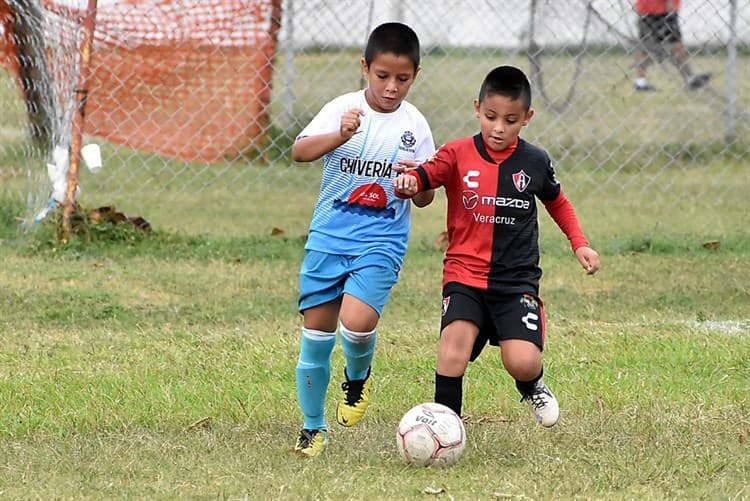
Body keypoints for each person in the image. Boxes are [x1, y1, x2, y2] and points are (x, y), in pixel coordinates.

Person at [394, 65, 601, 427]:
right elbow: (423, 175)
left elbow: (558, 202)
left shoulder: (535, 161)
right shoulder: (457, 153)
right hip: (465, 274)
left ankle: (532, 384)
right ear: (477, 109)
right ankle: (447, 428)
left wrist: (579, 244)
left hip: (515, 280)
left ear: (527, 118)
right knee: (452, 352)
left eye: (510, 119)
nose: (498, 128)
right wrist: (409, 181)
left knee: (521, 360)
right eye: (490, 117)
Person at [290, 22, 436, 457]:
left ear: (415, 76)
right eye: (382, 76)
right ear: (365, 68)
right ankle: (313, 429)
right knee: (315, 335)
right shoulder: (343, 109)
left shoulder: (415, 125)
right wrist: (340, 135)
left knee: (355, 323)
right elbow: (299, 151)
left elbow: (427, 194)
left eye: (403, 79)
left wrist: (415, 185)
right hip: (328, 239)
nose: (392, 88)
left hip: (381, 240)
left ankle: (357, 379)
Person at [633, 0, 711, 92]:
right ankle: (641, 82)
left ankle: (689, 78)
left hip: (655, 9)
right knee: (648, 46)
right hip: (657, 9)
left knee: (674, 46)